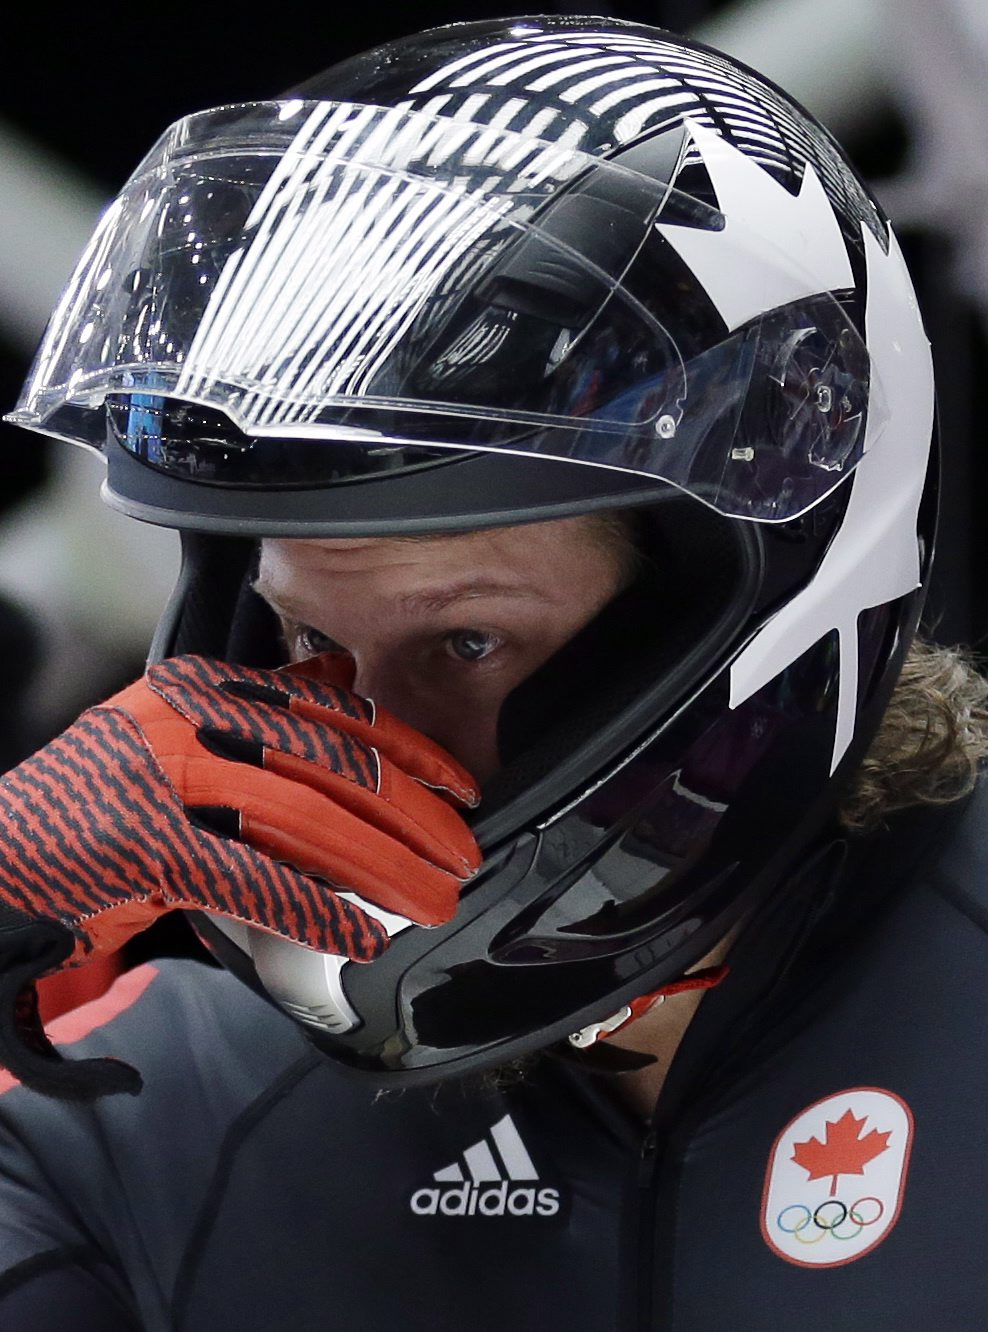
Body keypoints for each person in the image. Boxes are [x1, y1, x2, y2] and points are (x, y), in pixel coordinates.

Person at [0, 14, 986, 1329]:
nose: (346, 744)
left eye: (465, 642)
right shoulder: (159, 1102)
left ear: (732, 603)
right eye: (303, 644)